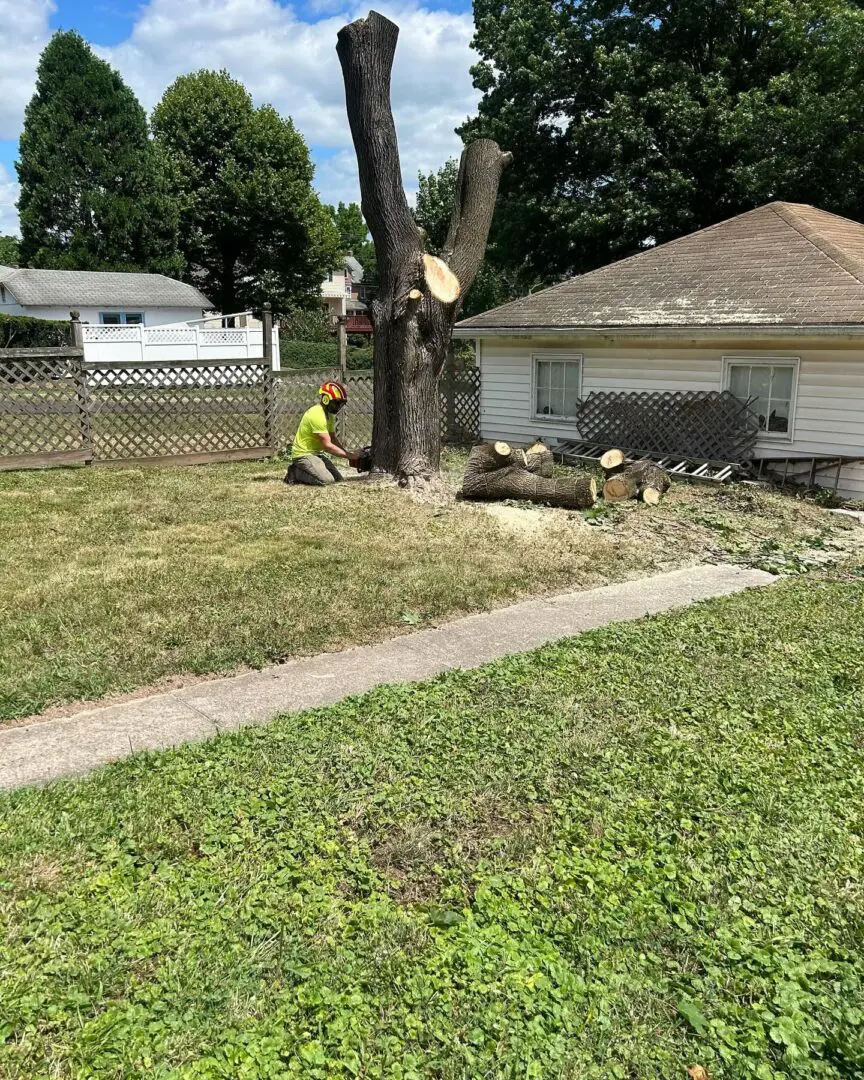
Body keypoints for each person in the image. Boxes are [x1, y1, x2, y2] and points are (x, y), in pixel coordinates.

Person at [283, 380, 360, 486]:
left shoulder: (329, 415)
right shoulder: (317, 414)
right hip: (304, 454)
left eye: (341, 403)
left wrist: (348, 454)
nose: (338, 407)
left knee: (338, 479)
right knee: (327, 481)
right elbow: (327, 446)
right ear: (325, 399)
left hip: (316, 454)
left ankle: (301, 470)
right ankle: (295, 472)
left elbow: (332, 439)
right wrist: (349, 455)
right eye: (336, 403)